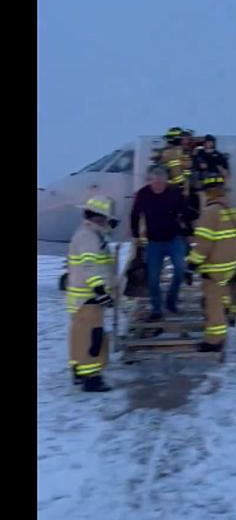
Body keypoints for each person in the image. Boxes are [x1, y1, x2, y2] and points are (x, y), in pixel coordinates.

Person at [186, 175, 236, 352]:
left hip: (214, 268)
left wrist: (192, 264)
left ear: (208, 194)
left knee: (213, 304)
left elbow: (204, 244)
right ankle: (229, 314)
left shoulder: (210, 213)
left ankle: (214, 340)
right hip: (229, 265)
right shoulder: (233, 212)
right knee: (223, 295)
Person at [67, 195, 119, 392]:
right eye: (105, 219)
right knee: (92, 337)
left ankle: (79, 371)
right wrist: (101, 292)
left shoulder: (89, 234)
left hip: (83, 298)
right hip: (89, 298)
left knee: (79, 335)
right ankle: (91, 378)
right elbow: (91, 267)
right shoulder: (88, 237)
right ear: (98, 217)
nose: (107, 223)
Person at [130, 166, 190, 320]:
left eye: (161, 182)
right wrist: (136, 236)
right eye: (154, 182)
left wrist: (187, 230)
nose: (158, 185)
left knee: (180, 270)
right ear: (150, 181)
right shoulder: (143, 195)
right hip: (154, 242)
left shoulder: (174, 193)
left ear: (165, 181)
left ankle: (171, 300)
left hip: (173, 238)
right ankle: (156, 309)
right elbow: (135, 216)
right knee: (153, 278)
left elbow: (184, 212)